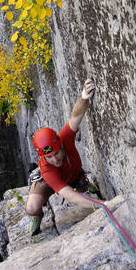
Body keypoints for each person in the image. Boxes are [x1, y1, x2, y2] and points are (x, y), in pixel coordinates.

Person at [26, 78, 97, 235]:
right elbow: (69, 195)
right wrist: (101, 204)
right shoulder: (46, 169)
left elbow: (76, 115)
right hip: (49, 182)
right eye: (49, 157)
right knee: (31, 207)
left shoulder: (64, 138)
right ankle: (37, 216)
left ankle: (81, 181)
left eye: (56, 153)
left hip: (72, 173)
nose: (55, 159)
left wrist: (84, 94)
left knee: (71, 175)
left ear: (60, 145)